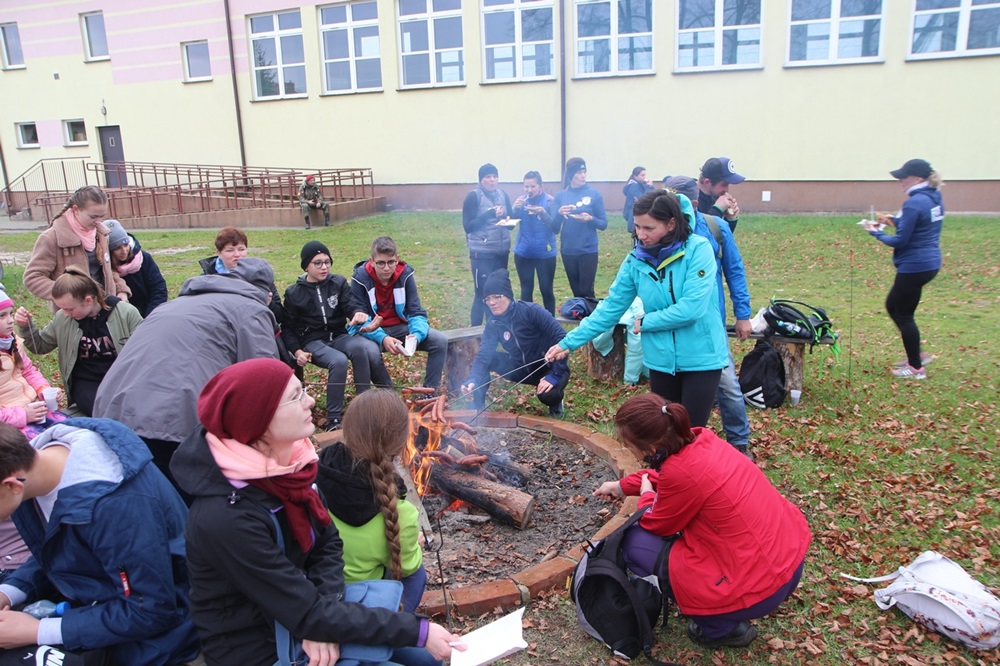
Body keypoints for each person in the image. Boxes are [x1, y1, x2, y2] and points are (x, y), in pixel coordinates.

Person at [171, 359, 462, 666]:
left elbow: (328, 545)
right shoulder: (225, 519)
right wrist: (416, 630)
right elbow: (295, 604)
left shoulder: (295, 470)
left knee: (425, 661)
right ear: (258, 420)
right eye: (296, 396)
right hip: (261, 647)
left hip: (304, 612)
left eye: (304, 390)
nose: (310, 401)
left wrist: (319, 617)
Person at [593, 394, 810, 649]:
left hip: (761, 590)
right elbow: (670, 475)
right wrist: (621, 486)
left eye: (628, 445)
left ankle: (720, 627)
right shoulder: (704, 441)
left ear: (649, 449)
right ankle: (722, 607)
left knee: (634, 542)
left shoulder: (680, 474)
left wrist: (647, 497)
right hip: (789, 565)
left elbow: (656, 524)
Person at [0, 419, 199, 665]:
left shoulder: (116, 507)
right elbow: (58, 549)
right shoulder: (28, 476)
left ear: (12, 486)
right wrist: (9, 592)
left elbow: (150, 611)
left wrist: (38, 631)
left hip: (162, 628)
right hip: (98, 600)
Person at [546, 190, 728, 428]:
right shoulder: (635, 260)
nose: (641, 235)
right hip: (660, 360)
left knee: (690, 432)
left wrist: (646, 322)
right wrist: (568, 343)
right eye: (637, 227)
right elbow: (610, 308)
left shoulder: (698, 249)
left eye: (649, 228)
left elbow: (692, 308)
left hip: (700, 357)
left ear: (671, 224)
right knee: (664, 432)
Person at [92, 258, 280, 487]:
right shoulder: (251, 309)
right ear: (266, 293)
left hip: (112, 408)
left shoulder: (174, 304)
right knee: (183, 497)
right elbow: (267, 378)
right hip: (172, 421)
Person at [317, 389, 428, 614]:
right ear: (401, 443)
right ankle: (395, 622)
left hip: (316, 592)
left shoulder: (311, 479)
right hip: (360, 602)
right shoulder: (401, 513)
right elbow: (408, 567)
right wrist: (413, 543)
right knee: (417, 575)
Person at [665, 176, 754, 458]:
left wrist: (743, 314)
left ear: (692, 204)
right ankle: (673, 445)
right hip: (671, 325)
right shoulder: (659, 230)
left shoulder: (715, 227)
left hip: (709, 325)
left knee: (727, 385)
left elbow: (734, 271)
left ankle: (739, 442)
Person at [284, 241, 392, 432]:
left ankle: (364, 406)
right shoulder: (294, 293)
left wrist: (357, 313)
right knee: (339, 361)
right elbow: (288, 328)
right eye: (318, 263)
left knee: (359, 348)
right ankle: (333, 418)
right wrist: (298, 351)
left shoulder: (338, 283)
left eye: (327, 262)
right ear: (306, 266)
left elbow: (351, 305)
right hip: (312, 341)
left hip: (338, 336)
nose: (324, 267)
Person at [17, 269, 143, 417]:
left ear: (88, 300)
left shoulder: (125, 313)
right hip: (87, 383)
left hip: (122, 380)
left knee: (131, 408)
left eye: (70, 309)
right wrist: (26, 326)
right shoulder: (64, 318)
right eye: (62, 309)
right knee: (104, 410)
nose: (65, 313)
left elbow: (146, 351)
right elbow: (40, 345)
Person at [864, 158, 944, 380]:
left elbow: (900, 241)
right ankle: (917, 354)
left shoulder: (914, 203)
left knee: (904, 314)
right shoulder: (933, 197)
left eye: (903, 177)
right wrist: (893, 220)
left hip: (914, 266)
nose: (900, 181)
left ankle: (916, 367)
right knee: (892, 306)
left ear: (917, 179)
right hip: (929, 262)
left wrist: (875, 232)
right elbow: (918, 223)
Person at [462, 269, 570, 417]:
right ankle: (478, 405)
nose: (492, 302)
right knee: (488, 360)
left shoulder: (531, 311)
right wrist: (473, 378)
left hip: (547, 368)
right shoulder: (493, 323)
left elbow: (562, 338)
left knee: (548, 395)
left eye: (497, 297)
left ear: (508, 295)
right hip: (518, 367)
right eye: (487, 299)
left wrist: (555, 374)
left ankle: (555, 404)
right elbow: (484, 355)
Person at [351, 236, 448, 392]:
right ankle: (390, 397)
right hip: (370, 332)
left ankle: (429, 393)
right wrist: (383, 338)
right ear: (371, 261)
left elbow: (415, 311)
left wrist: (416, 335)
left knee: (440, 340)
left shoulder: (405, 275)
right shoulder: (360, 278)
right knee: (371, 352)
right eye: (381, 263)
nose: (386, 268)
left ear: (397, 259)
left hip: (400, 327)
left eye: (391, 262)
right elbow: (360, 319)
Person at [23, 185, 130, 313]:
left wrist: (121, 289)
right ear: (76, 210)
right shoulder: (51, 238)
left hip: (104, 309)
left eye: (102, 216)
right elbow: (33, 278)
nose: (98, 222)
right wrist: (68, 295)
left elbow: (107, 270)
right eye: (93, 217)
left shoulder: (102, 234)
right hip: (72, 315)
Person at [0, 286, 59, 433]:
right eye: (2, 316)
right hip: (9, 428)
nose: (11, 321)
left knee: (77, 432)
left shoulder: (12, 341)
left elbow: (28, 371)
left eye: (10, 314)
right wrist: (23, 415)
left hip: (34, 409)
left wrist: (43, 390)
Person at [550, 157, 608, 299]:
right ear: (571, 175)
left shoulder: (594, 194)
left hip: (588, 250)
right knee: (576, 293)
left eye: (584, 172)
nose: (583, 176)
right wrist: (559, 214)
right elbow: (554, 228)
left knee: (587, 292)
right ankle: (579, 312)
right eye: (579, 173)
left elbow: (603, 224)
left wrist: (590, 219)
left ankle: (591, 313)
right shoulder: (561, 196)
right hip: (568, 250)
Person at [462, 163, 512, 326]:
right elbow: (468, 226)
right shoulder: (473, 196)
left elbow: (510, 221)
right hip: (482, 253)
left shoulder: (503, 195)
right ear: (481, 180)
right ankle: (475, 331)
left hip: (501, 251)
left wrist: (507, 220)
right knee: (482, 293)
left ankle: (498, 327)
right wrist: (489, 214)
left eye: (495, 176)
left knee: (499, 293)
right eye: (488, 177)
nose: (492, 180)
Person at [511, 171, 558, 315]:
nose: (529, 190)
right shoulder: (521, 201)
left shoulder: (550, 201)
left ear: (540, 187)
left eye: (533, 186)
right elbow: (510, 224)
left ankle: (550, 322)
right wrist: (514, 209)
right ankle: (528, 323)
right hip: (523, 253)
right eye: (526, 187)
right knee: (526, 290)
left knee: (546, 289)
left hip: (545, 254)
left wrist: (543, 213)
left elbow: (555, 228)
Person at [105, 219, 168, 317]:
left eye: (126, 245)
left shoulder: (143, 258)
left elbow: (158, 288)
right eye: (117, 248)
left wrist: (150, 315)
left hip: (150, 311)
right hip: (125, 316)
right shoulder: (105, 268)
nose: (124, 251)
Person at [697, 157, 744, 233]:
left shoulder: (713, 197)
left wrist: (730, 219)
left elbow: (720, 237)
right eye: (724, 184)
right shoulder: (690, 199)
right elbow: (700, 233)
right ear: (707, 182)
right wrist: (718, 209)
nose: (726, 190)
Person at [622, 166, 654, 235]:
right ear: (635, 176)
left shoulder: (640, 185)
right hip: (635, 218)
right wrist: (650, 187)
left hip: (637, 217)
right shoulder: (634, 186)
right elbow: (645, 200)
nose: (644, 177)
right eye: (642, 175)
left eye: (645, 175)